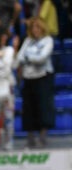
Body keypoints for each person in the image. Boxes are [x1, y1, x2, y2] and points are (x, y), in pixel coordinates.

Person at [16, 17, 54, 148]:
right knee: (28, 108)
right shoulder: (28, 41)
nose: (35, 30)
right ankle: (30, 137)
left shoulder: (48, 40)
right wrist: (31, 58)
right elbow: (19, 57)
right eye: (33, 28)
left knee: (43, 107)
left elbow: (42, 58)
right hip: (28, 78)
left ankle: (42, 137)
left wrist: (28, 58)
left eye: (38, 27)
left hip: (43, 77)